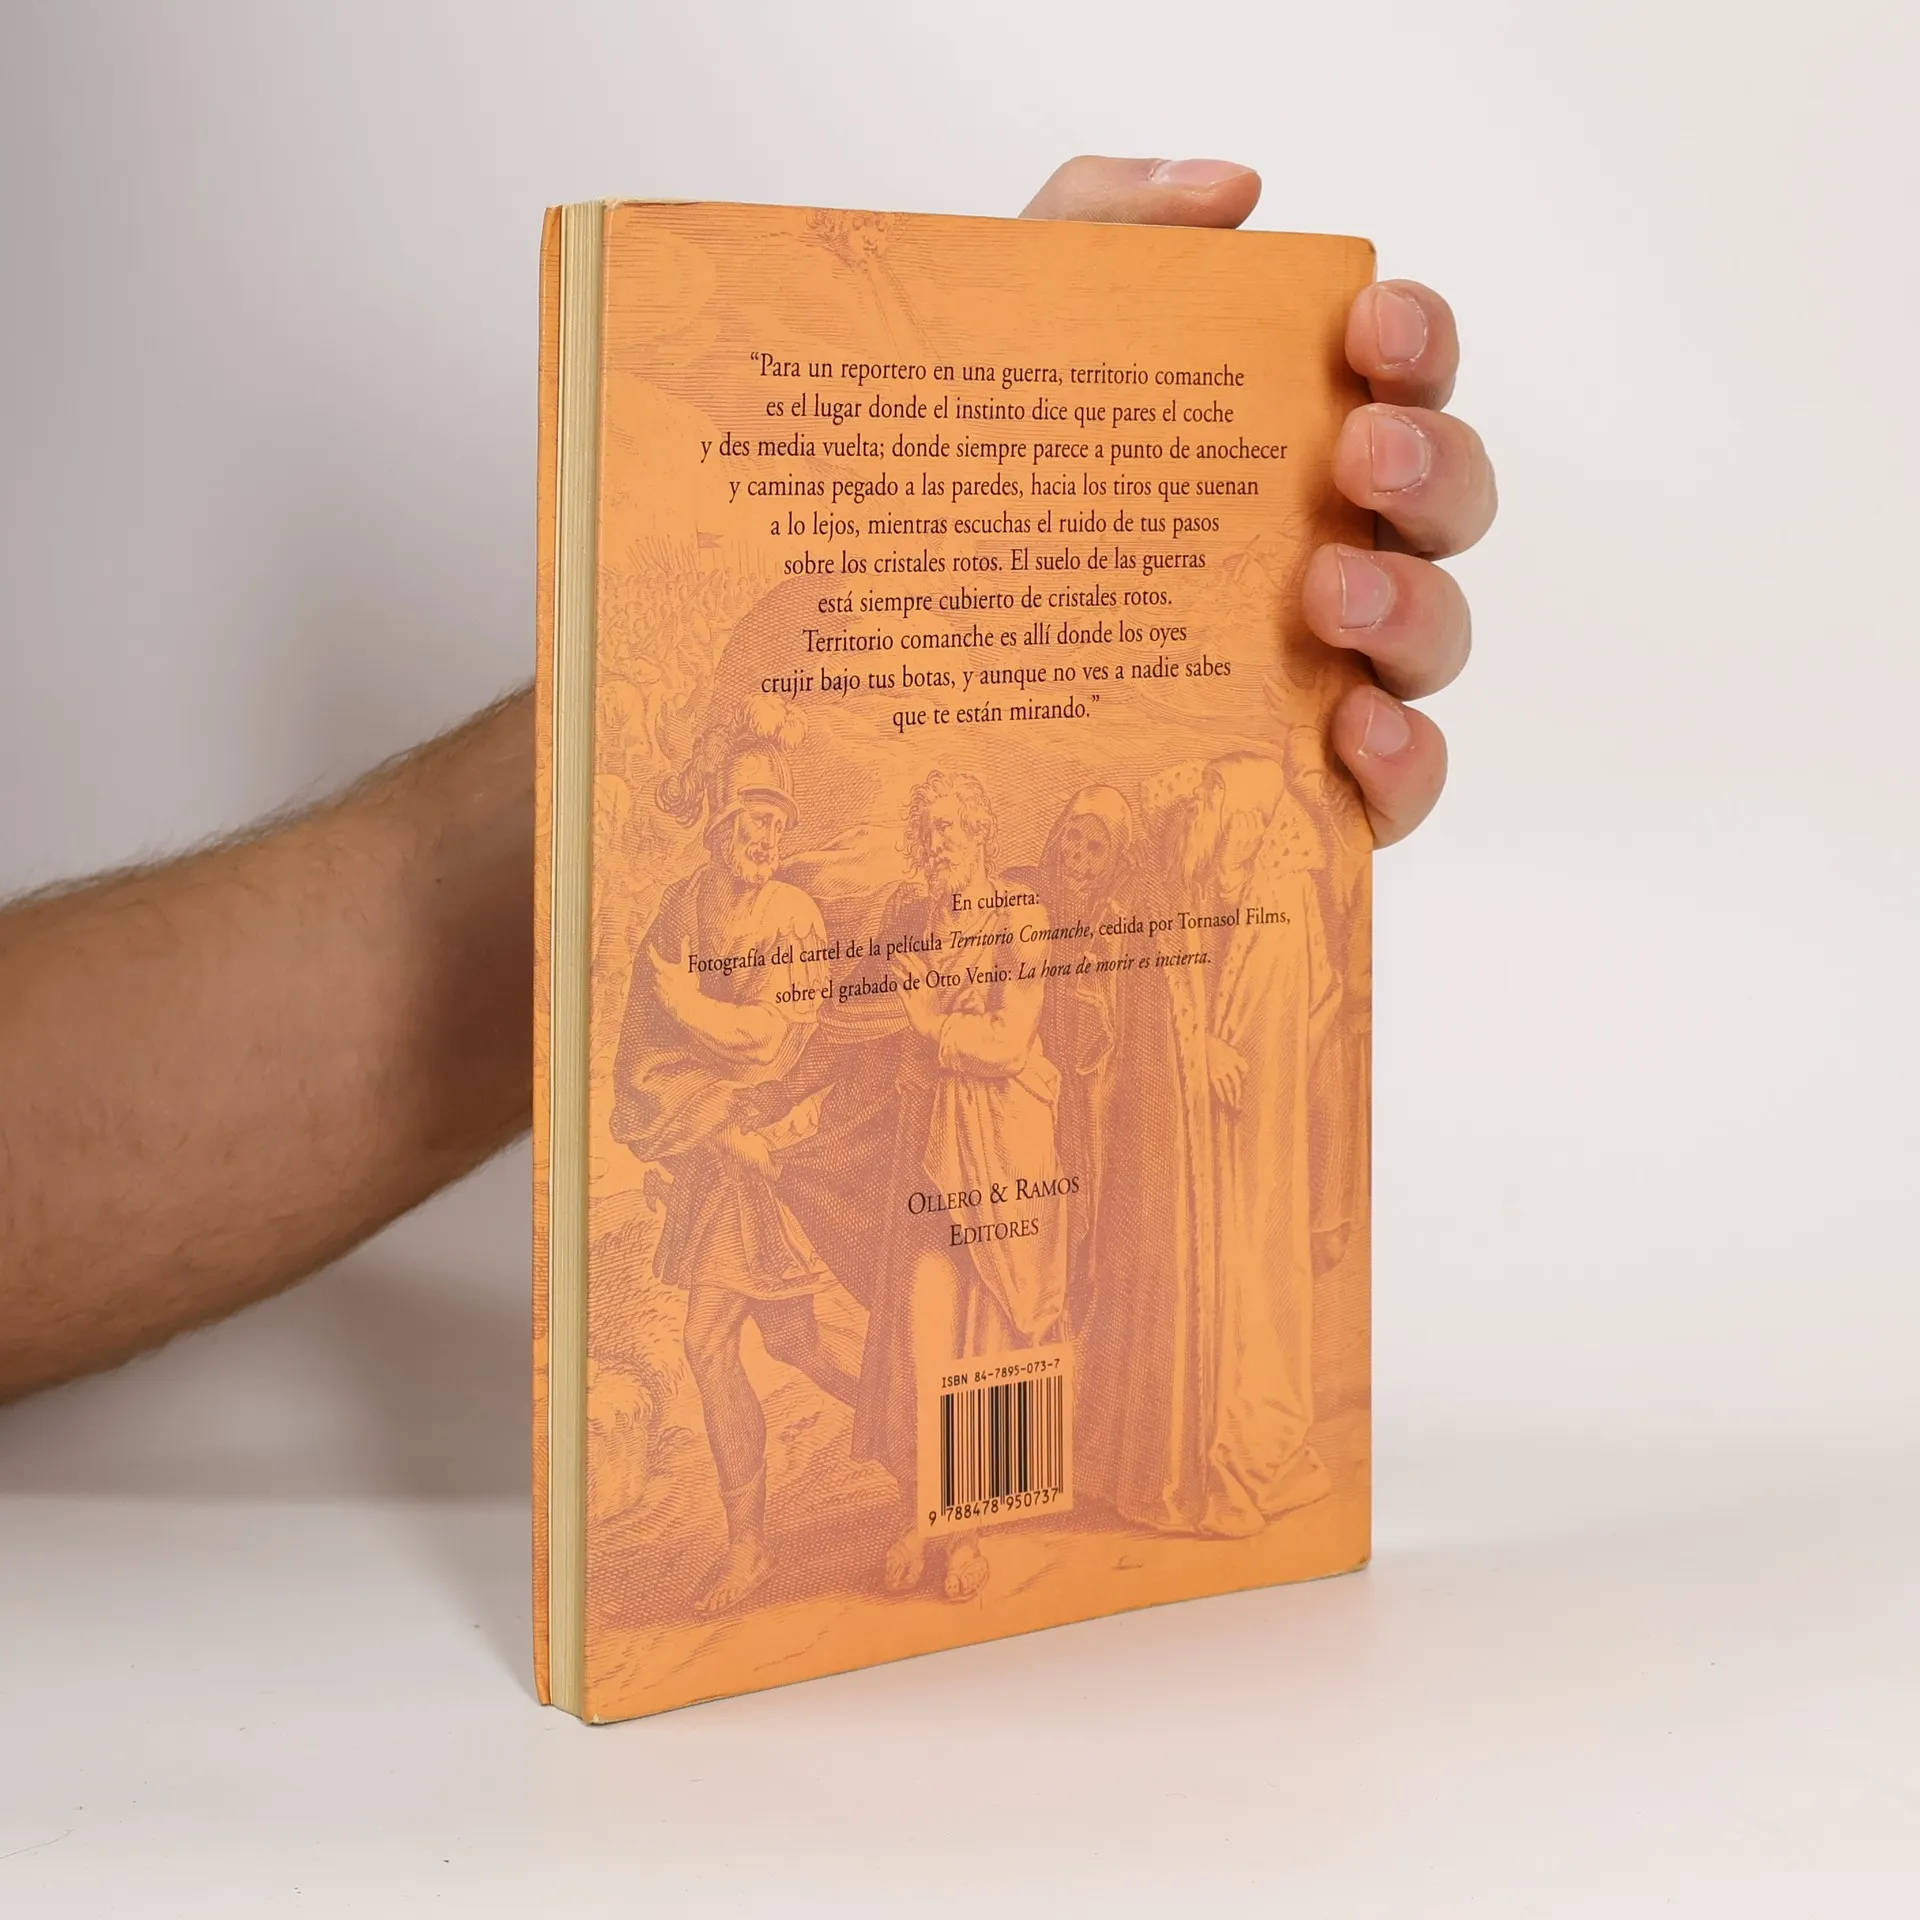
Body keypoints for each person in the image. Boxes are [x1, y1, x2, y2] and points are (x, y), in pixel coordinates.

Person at [0, 154, 1491, 1406]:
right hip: (819, 1101)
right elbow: (763, 987)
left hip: (942, 1102)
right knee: (831, 1304)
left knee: (947, 1298)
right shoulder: (824, 876)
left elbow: (938, 1003)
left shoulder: (953, 890)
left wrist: (996, 490)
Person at [608, 696, 856, 1615]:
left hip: (778, 1163)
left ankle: (916, 1447)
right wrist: (709, 1113)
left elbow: (776, 1041)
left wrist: (692, 1013)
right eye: (754, 818)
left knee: (758, 1341)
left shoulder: (794, 913)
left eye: (778, 821)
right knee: (764, 1342)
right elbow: (642, 1056)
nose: (766, 836)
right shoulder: (680, 911)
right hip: (717, 1160)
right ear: (718, 822)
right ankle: (760, 1539)